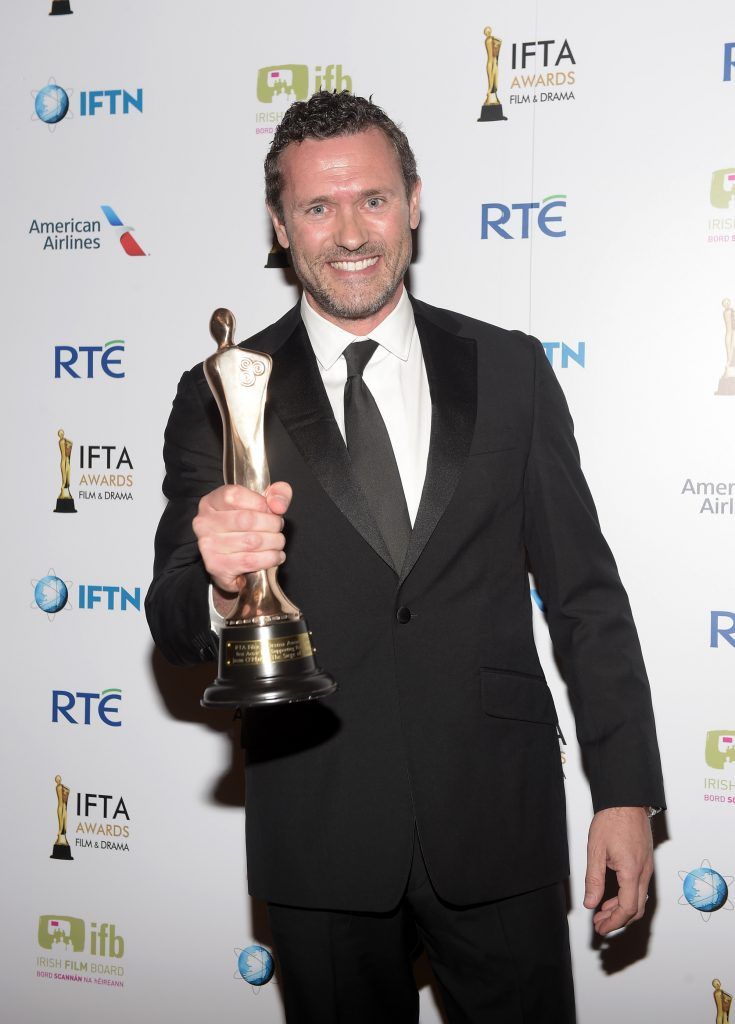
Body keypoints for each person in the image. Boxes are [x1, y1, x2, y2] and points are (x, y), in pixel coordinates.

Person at [146, 90, 665, 1023]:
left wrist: (625, 792)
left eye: (373, 199)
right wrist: (223, 588)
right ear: (278, 224)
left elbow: (586, 595)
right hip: (321, 823)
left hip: (498, 823)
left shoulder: (510, 371)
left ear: (414, 203)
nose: (349, 231)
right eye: (316, 206)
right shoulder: (223, 389)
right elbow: (173, 615)